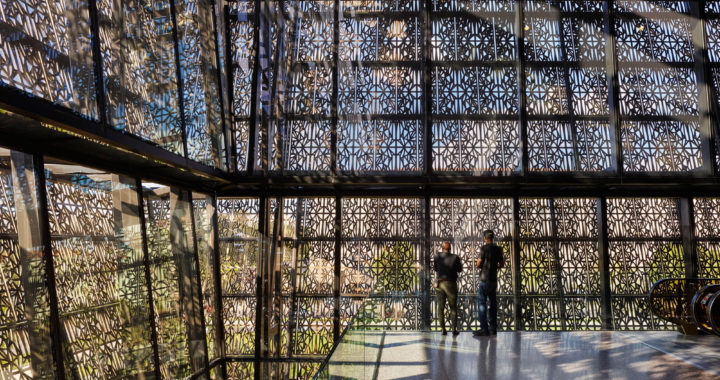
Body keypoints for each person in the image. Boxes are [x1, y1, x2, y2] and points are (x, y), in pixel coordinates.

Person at [473, 230, 504, 337]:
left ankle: (484, 329)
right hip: (493, 280)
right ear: (493, 238)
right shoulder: (498, 249)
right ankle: (493, 329)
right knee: (493, 304)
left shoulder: (483, 248)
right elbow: (502, 263)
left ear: (485, 238)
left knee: (482, 304)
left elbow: (479, 263)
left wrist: (480, 266)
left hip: (484, 279)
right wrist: (496, 267)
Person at [433, 241, 463, 336]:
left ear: (442, 248)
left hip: (440, 284)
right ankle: (454, 329)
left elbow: (435, 269)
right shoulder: (455, 257)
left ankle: (443, 329)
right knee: (453, 307)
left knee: (440, 308)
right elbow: (460, 269)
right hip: (451, 284)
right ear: (450, 249)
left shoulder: (437, 256)